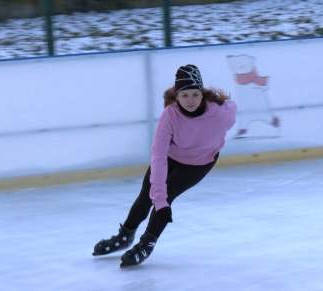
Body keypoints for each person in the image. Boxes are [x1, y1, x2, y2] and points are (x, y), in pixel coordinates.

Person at [92, 64, 237, 268]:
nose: (190, 101)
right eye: (184, 95)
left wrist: (163, 200)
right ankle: (125, 236)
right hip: (171, 156)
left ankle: (146, 243)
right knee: (148, 194)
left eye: (195, 94)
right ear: (176, 97)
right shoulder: (169, 116)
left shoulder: (223, 114)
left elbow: (232, 107)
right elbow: (158, 156)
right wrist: (158, 200)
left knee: (167, 195)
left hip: (199, 162)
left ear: (203, 94)